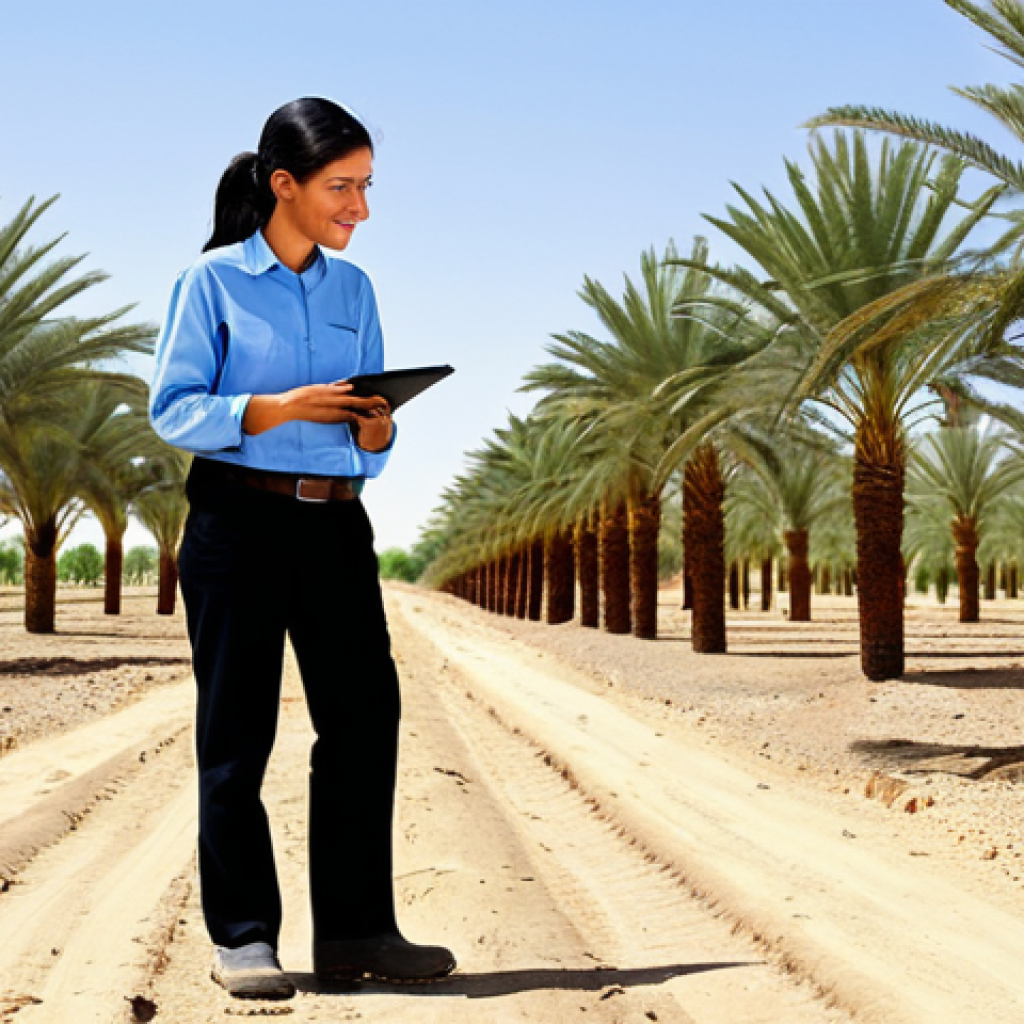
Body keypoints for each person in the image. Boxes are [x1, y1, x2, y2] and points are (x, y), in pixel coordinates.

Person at [149, 97, 456, 1000]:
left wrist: (370, 428)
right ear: (285, 185)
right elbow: (173, 409)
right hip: (235, 525)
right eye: (342, 187)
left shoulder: (355, 290)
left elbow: (374, 437)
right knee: (237, 735)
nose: (360, 206)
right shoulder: (210, 283)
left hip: (336, 525)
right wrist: (281, 407)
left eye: (366, 186)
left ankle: (360, 933)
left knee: (364, 723)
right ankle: (245, 938)